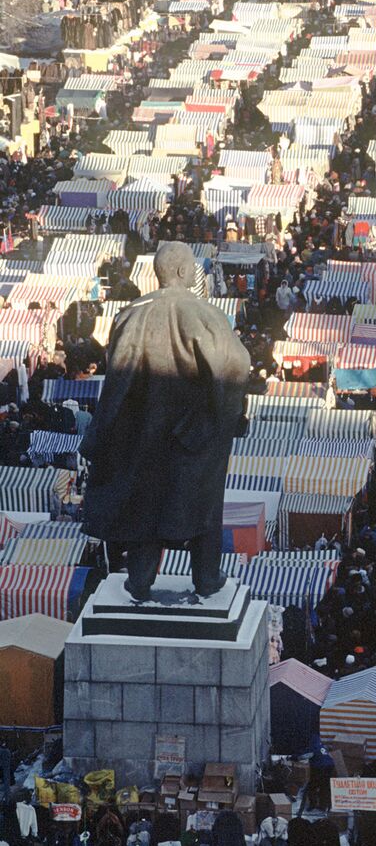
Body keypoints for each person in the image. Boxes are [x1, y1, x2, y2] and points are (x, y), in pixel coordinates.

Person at [81, 242, 251, 600]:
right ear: (181, 272)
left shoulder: (130, 314)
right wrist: (230, 416)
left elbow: (116, 380)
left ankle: (140, 580)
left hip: (143, 432)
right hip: (193, 434)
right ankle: (206, 578)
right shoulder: (205, 314)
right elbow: (234, 368)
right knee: (203, 504)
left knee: (146, 503)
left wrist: (102, 431)